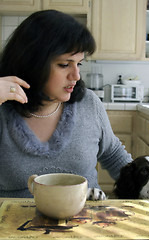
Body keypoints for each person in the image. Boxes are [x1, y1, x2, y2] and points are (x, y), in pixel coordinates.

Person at [0, 10, 132, 198]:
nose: (76, 76)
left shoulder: (89, 104)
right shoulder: (3, 108)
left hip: (87, 221)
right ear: (32, 62)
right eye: (64, 64)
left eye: (79, 64)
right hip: (13, 223)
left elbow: (113, 155)